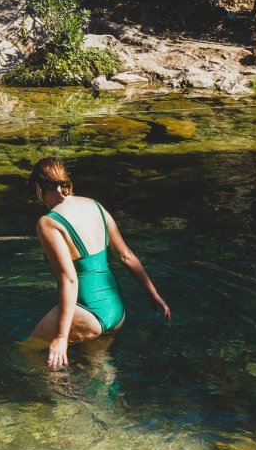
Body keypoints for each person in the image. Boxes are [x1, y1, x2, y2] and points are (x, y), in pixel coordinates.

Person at [23, 157, 170, 369]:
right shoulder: (95, 206)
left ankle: (59, 402)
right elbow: (126, 255)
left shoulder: (48, 222)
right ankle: (109, 402)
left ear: (38, 187)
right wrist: (154, 294)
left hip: (87, 309)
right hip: (115, 310)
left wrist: (61, 337)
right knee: (99, 367)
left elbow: (70, 280)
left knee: (29, 353)